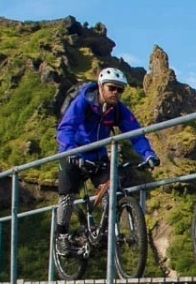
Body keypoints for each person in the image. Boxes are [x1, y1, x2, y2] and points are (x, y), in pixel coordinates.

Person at [55, 65, 160, 242]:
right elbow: (66, 128)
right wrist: (70, 151)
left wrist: (148, 154)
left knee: (112, 189)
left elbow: (135, 133)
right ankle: (62, 238)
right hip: (74, 152)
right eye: (112, 88)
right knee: (67, 197)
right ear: (100, 86)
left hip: (98, 155)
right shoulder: (83, 102)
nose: (116, 93)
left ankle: (106, 231)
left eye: (120, 90)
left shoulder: (118, 109)